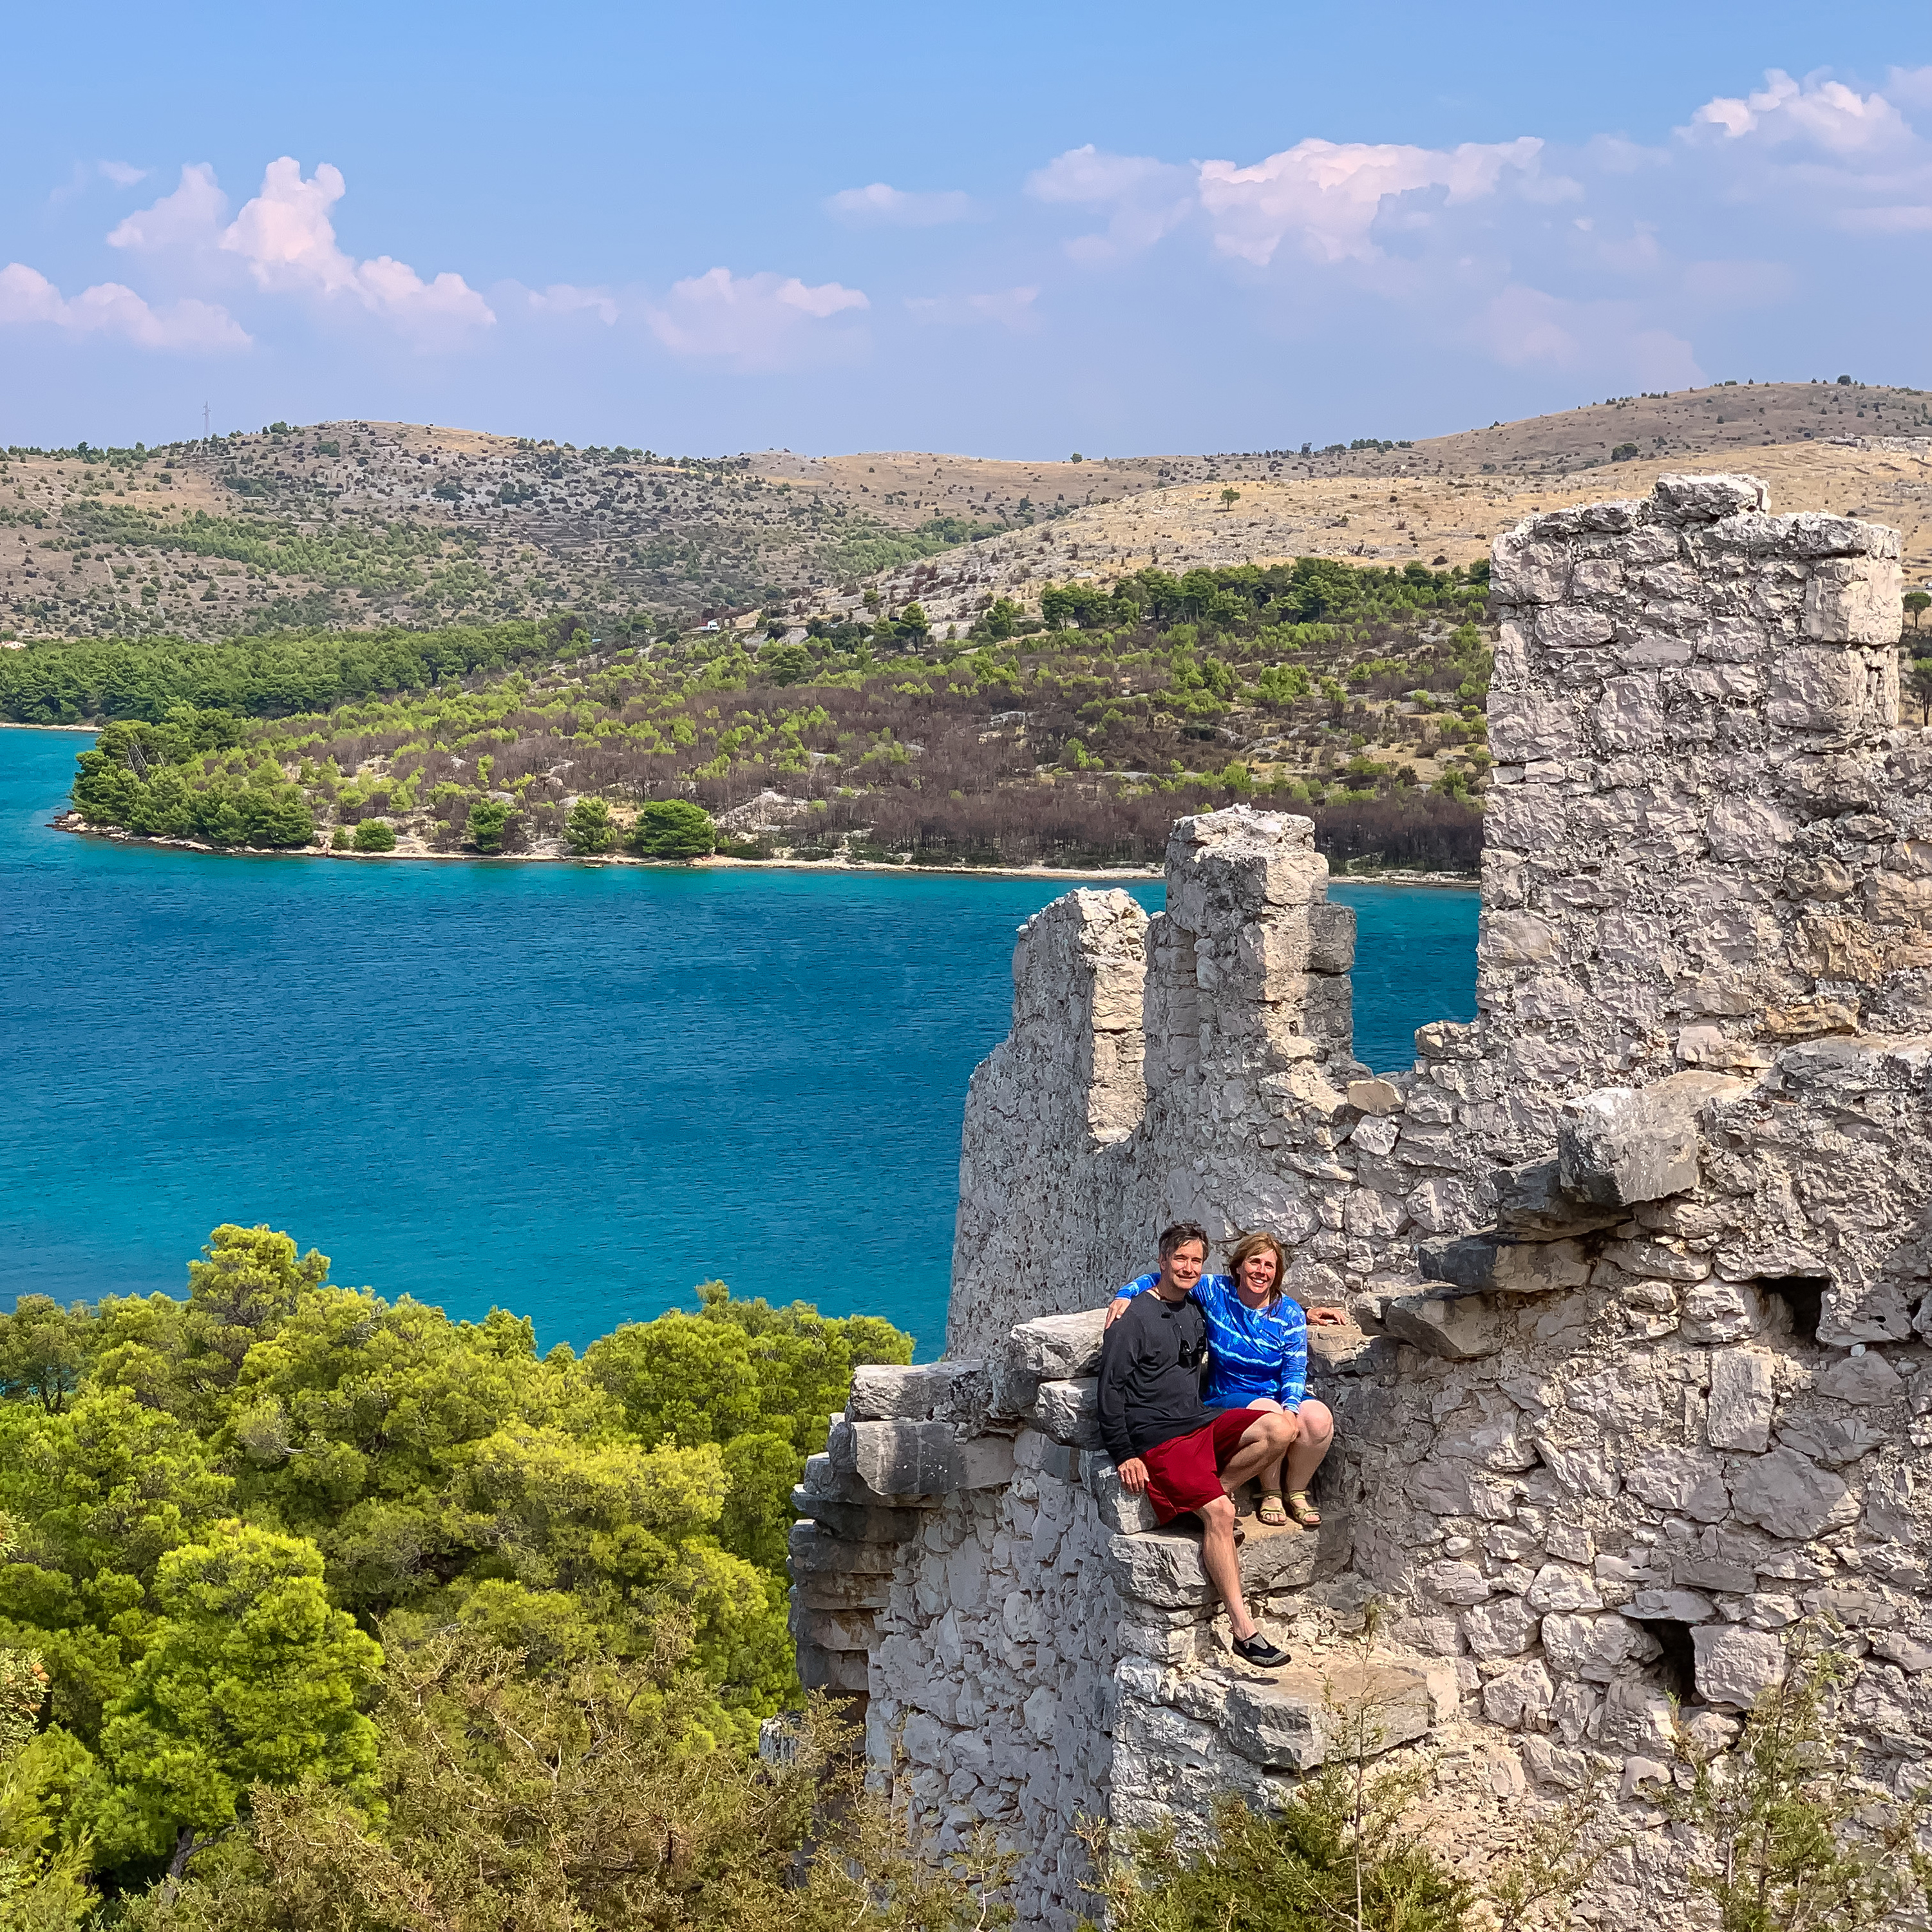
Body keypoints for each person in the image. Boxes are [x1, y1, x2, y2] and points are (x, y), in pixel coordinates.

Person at [1097, 1221, 1298, 1669]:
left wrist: (1311, 1312)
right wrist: (1125, 1453)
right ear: (1163, 1261)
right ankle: (1244, 1630)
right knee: (1222, 1516)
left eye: (1195, 1260)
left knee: (1281, 1428)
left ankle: (1216, 1485)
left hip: (1199, 1422)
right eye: (1179, 1259)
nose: (1187, 1268)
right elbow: (1109, 1393)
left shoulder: (1193, 1309)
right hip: (1159, 1440)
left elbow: (1251, 1308)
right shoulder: (1132, 1322)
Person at [1104, 1230, 1336, 1530]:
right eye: (1255, 1262)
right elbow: (1162, 1279)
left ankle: (1296, 1490)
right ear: (1239, 1266)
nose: (1261, 1271)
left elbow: (1294, 1369)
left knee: (1318, 1419)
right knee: (1272, 1413)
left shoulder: (1289, 1312)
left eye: (1269, 1266)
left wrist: (1293, 1409)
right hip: (1229, 1391)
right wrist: (1124, 1296)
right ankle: (1270, 1493)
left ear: (1277, 1274)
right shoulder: (1216, 1291)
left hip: (1276, 1390)